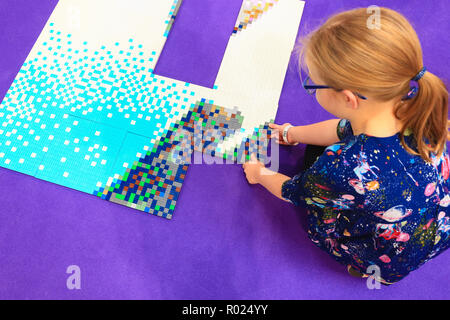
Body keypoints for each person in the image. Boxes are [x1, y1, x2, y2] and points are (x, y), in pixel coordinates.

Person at [243, 7, 449, 285]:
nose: (311, 87)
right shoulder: (415, 107)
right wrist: (293, 134)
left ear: (349, 99)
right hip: (436, 229)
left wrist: (258, 174)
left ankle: (376, 271)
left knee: (321, 209)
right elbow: (344, 128)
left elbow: (294, 191)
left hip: (389, 252)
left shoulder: (344, 166)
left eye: (314, 85)